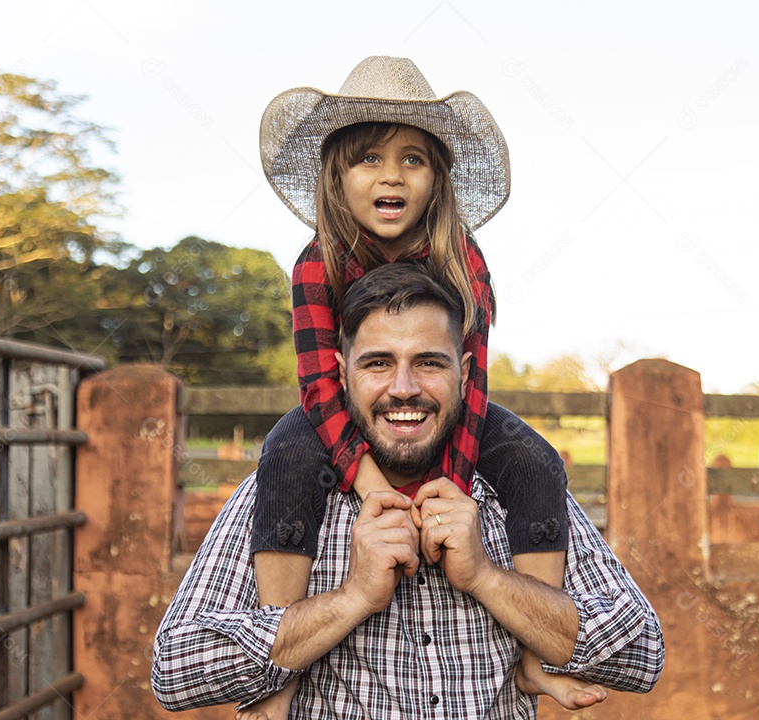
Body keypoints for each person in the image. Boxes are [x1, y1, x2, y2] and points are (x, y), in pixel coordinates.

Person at [151, 263, 664, 718]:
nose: (402, 388)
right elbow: (174, 672)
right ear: (340, 374)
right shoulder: (285, 484)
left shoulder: (515, 487)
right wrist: (349, 600)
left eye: (428, 362)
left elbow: (643, 655)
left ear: (464, 373)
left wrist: (487, 579)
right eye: (377, 363)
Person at [248, 55, 579, 710]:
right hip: (347, 414)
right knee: (285, 455)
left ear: (437, 181)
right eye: (368, 158)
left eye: (413, 160)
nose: (391, 175)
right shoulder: (317, 262)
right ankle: (275, 666)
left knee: (535, 458)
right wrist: (374, 488)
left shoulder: (463, 257)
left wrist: (443, 493)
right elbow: (318, 384)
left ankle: (535, 654)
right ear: (337, 178)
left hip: (445, 414)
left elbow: (471, 379)